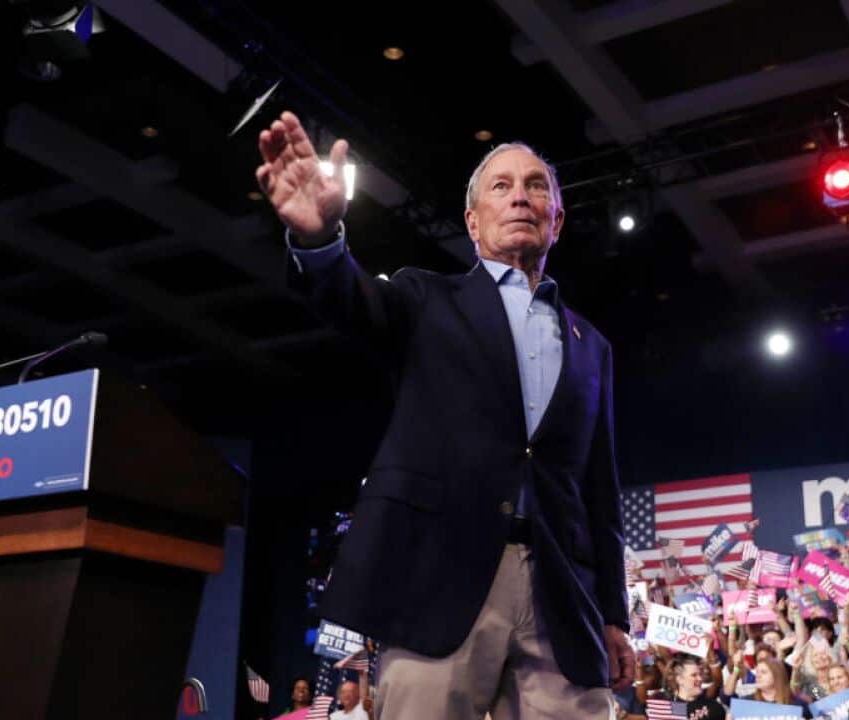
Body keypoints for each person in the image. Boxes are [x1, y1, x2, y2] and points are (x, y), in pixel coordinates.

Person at [256, 112, 633, 719]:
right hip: (440, 580)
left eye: (536, 186)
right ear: (472, 220)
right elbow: (352, 303)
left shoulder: (594, 347)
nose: (520, 197)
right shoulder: (426, 299)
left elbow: (601, 493)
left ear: (557, 220)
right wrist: (320, 242)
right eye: (501, 186)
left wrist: (613, 614)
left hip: (562, 598)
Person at [666, 654, 726, 720]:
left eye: (700, 674)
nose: (700, 679)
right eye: (694, 675)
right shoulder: (667, 707)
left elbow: (717, 682)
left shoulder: (713, 707)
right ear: (680, 680)